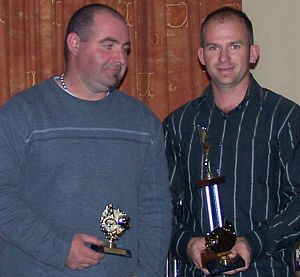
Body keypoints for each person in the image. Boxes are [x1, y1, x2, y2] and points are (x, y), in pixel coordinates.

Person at [0, 3, 171, 277]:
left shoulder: (143, 123)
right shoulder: (22, 113)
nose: (120, 58)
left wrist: (150, 272)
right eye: (108, 45)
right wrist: (60, 249)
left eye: (125, 49)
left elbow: (155, 210)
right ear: (74, 43)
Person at [163, 6, 300, 277]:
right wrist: (187, 243)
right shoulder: (178, 124)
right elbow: (158, 205)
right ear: (202, 56)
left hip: (266, 270)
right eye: (214, 47)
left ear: (253, 53)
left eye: (234, 45)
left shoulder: (286, 118)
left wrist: (253, 243)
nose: (224, 58)